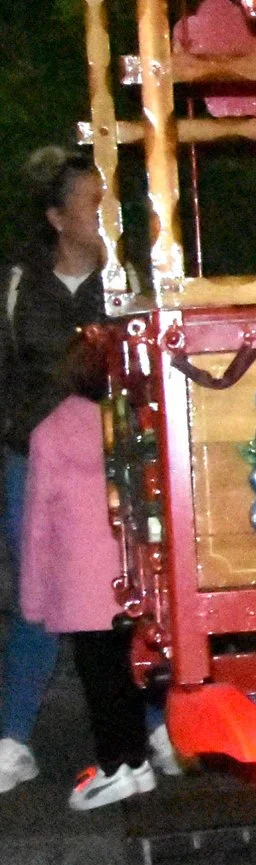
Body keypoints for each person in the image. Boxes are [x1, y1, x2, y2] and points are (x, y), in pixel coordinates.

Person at [0, 154, 110, 792]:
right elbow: (36, 365)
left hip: (109, 458)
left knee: (126, 590)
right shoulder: (21, 281)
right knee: (37, 593)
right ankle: (14, 736)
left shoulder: (126, 276)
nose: (104, 214)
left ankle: (149, 727)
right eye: (92, 202)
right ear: (56, 216)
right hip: (36, 458)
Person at [21, 339, 152, 808]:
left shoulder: (51, 432)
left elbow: (37, 525)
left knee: (98, 684)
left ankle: (114, 768)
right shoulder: (136, 424)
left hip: (80, 583)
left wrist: (32, 597)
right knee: (131, 674)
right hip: (135, 576)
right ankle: (137, 761)